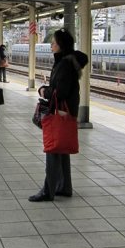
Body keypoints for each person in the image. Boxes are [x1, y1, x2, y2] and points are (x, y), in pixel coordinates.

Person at [29, 28, 88, 202]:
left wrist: (43, 90)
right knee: (61, 150)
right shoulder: (68, 62)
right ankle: (65, 186)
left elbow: (60, 92)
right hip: (66, 110)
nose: (51, 45)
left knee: (53, 149)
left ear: (61, 45)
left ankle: (49, 191)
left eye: (54, 43)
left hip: (60, 111)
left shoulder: (64, 64)